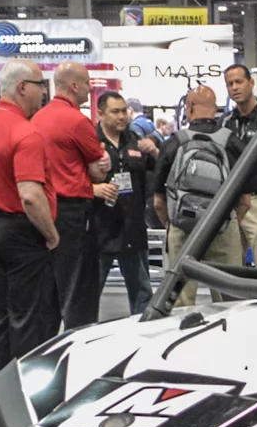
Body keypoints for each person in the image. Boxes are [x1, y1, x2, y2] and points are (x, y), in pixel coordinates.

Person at [0, 59, 61, 380]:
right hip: (22, 232)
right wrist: (50, 234)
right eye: (40, 85)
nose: (44, 93)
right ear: (22, 87)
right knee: (29, 322)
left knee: (1, 320)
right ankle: (29, 397)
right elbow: (30, 195)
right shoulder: (26, 132)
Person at [33, 61, 114, 331]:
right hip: (73, 214)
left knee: (49, 292)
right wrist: (101, 164)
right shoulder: (78, 121)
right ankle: (79, 351)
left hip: (43, 212)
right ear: (75, 86)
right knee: (80, 292)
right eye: (88, 83)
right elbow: (98, 172)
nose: (91, 88)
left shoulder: (37, 119)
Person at [153, 84, 244, 307]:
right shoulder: (231, 142)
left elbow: (158, 201)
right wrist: (226, 223)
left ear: (190, 107)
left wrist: (174, 224)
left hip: (183, 229)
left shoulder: (175, 142)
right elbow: (246, 200)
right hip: (222, 227)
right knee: (229, 300)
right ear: (216, 109)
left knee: (179, 301)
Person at [93, 90, 160, 316]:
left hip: (132, 228)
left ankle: (142, 338)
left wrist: (156, 151)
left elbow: (157, 171)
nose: (121, 116)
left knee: (142, 292)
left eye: (123, 111)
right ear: (101, 113)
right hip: (99, 230)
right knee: (90, 291)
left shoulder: (135, 141)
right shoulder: (91, 142)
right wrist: (94, 189)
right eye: (115, 112)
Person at [222, 63, 257, 270]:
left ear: (251, 83)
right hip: (232, 203)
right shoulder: (226, 122)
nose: (234, 87)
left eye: (239, 82)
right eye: (230, 84)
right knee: (229, 265)